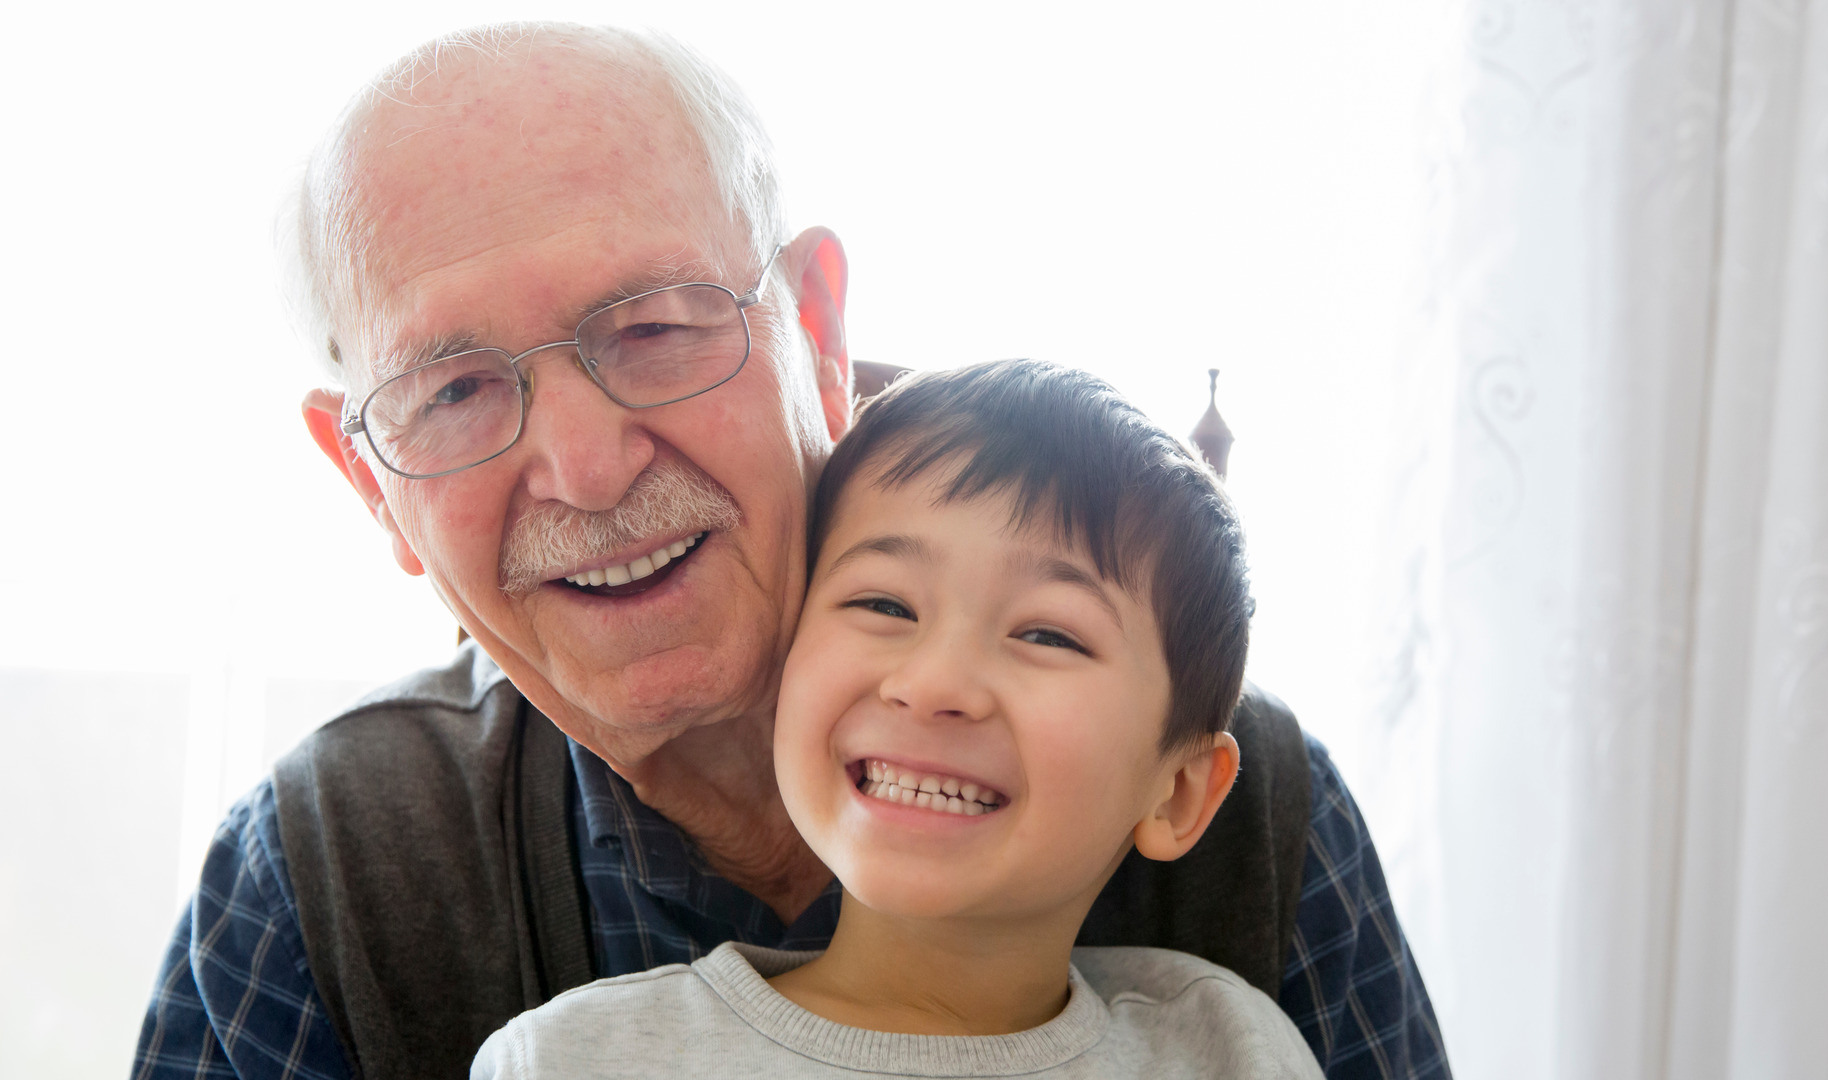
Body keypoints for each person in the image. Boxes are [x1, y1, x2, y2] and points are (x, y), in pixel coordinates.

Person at [133, 22, 1448, 1080]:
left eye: (651, 326)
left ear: (815, 328)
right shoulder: (321, 880)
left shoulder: (1240, 808)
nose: (589, 467)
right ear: (372, 481)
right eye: (457, 390)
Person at [471, 359, 1327, 1078]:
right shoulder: (571, 1061)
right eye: (883, 603)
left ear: (1178, 793)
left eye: (1047, 634)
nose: (934, 682)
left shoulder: (1234, 1051)